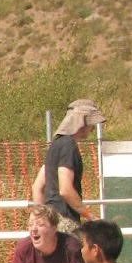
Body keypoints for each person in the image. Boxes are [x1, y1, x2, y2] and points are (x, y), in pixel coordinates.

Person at [32, 99, 104, 233]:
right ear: (82, 122)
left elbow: (37, 187)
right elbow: (65, 189)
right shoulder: (69, 146)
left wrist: (40, 219)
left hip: (50, 224)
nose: (92, 128)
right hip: (65, 222)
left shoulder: (55, 145)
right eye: (90, 123)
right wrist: (90, 215)